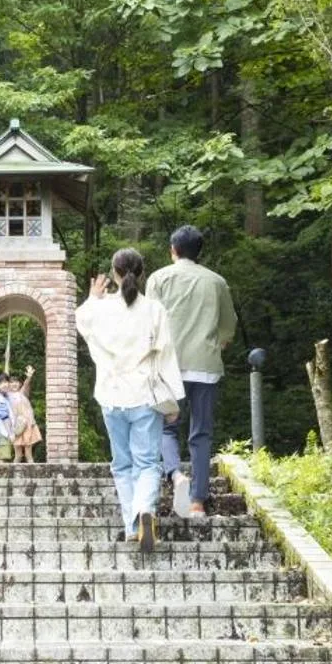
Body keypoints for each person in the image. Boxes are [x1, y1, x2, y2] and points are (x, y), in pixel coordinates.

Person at [74, 247, 185, 552]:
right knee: (147, 463)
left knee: (122, 465)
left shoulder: (101, 308)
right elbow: (166, 356)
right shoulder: (154, 309)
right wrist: (174, 400)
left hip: (111, 396)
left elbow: (81, 322)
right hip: (145, 396)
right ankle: (144, 510)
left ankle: (132, 526)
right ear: (142, 272)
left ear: (114, 273)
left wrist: (92, 298)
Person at [149, 224, 237, 519]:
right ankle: (198, 502)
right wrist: (218, 342)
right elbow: (228, 326)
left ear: (173, 250)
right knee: (201, 433)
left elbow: (149, 324)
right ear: (199, 251)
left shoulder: (158, 278)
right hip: (205, 366)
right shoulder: (217, 282)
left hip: (168, 366)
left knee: (166, 428)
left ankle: (175, 475)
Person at [0, 366, 41, 463]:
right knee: (18, 455)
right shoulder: (7, 396)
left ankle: (32, 468)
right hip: (15, 427)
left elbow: (26, 384)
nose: (14, 384)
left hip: (27, 424)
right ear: (8, 384)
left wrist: (29, 377)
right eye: (11, 382)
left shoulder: (22, 393)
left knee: (28, 453)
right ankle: (14, 470)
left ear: (20, 384)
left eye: (16, 382)